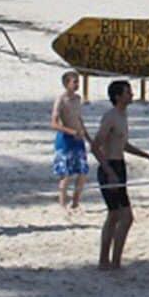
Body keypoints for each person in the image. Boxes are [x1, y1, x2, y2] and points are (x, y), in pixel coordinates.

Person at [91, 80, 149, 270]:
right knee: (125, 217)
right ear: (118, 96)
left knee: (114, 216)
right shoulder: (110, 117)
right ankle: (112, 261)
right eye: (128, 92)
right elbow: (95, 146)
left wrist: (147, 156)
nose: (131, 95)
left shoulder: (123, 115)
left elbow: (124, 144)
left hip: (119, 166)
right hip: (110, 168)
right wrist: (109, 171)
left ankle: (107, 261)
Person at [50, 71, 91, 214]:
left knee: (82, 172)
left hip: (78, 139)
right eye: (74, 82)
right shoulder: (61, 100)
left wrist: (87, 137)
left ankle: (75, 202)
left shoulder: (78, 99)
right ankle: (62, 204)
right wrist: (70, 131)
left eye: (78, 82)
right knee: (65, 174)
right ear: (66, 84)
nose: (77, 85)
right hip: (66, 140)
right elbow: (54, 124)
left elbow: (79, 119)